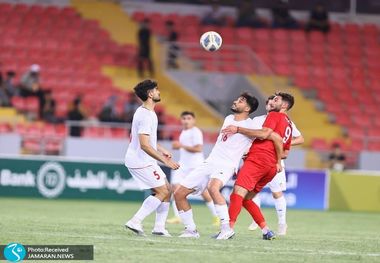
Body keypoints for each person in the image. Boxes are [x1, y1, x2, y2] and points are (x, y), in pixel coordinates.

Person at [174, 92, 283, 239]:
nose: (236, 101)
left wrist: (276, 159)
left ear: (247, 108)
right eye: (237, 99)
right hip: (210, 161)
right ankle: (191, 230)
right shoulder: (228, 118)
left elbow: (270, 136)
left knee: (213, 188)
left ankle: (226, 229)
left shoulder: (251, 125)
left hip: (227, 164)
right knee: (179, 194)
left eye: (241, 101)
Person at [222, 92, 295, 240]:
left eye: (276, 100)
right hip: (271, 167)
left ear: (285, 105)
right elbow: (285, 152)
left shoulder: (275, 116)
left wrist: (238, 129)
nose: (272, 102)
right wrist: (277, 161)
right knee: (247, 199)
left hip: (259, 159)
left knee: (237, 193)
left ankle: (227, 229)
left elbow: (264, 134)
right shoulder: (289, 124)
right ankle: (266, 230)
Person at [124, 79, 180, 237]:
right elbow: (144, 145)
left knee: (167, 190)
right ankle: (135, 220)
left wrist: (162, 150)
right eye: (156, 89)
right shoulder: (146, 115)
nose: (158, 92)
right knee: (162, 191)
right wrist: (165, 161)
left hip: (144, 160)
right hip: (139, 161)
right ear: (150, 94)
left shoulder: (147, 112)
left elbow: (148, 141)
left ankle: (159, 228)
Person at [247, 95, 304, 236]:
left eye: (274, 101)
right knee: (250, 190)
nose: (270, 103)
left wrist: (284, 143)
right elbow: (252, 137)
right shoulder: (257, 120)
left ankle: (282, 223)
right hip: (256, 158)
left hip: (274, 160)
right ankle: (256, 219)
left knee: (276, 193)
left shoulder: (285, 121)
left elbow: (300, 138)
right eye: (268, 101)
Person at [167, 111, 219, 226]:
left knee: (204, 192)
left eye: (189, 118)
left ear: (194, 120)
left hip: (195, 166)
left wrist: (181, 146)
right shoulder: (183, 132)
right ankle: (178, 216)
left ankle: (217, 217)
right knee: (175, 188)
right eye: (184, 118)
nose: (186, 120)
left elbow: (198, 149)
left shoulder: (196, 132)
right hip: (183, 166)